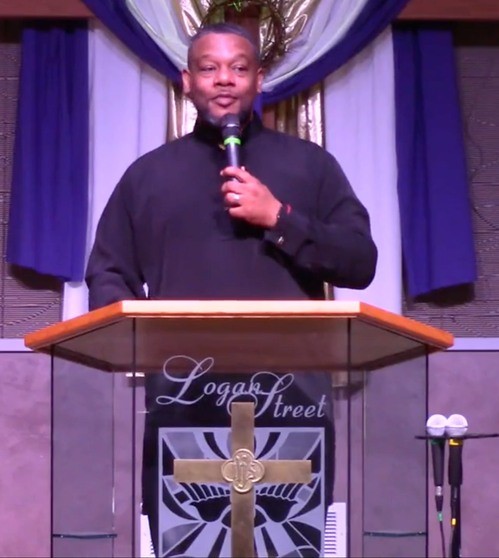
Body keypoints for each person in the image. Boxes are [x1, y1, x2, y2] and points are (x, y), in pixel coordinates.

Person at [86, 22, 377, 558]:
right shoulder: (148, 176)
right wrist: (134, 335)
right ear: (187, 81)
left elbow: (360, 261)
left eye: (239, 68)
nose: (225, 79)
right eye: (209, 68)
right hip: (184, 396)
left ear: (259, 79)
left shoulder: (311, 166)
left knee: (286, 546)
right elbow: (108, 273)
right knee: (190, 545)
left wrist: (279, 218)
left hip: (291, 399)